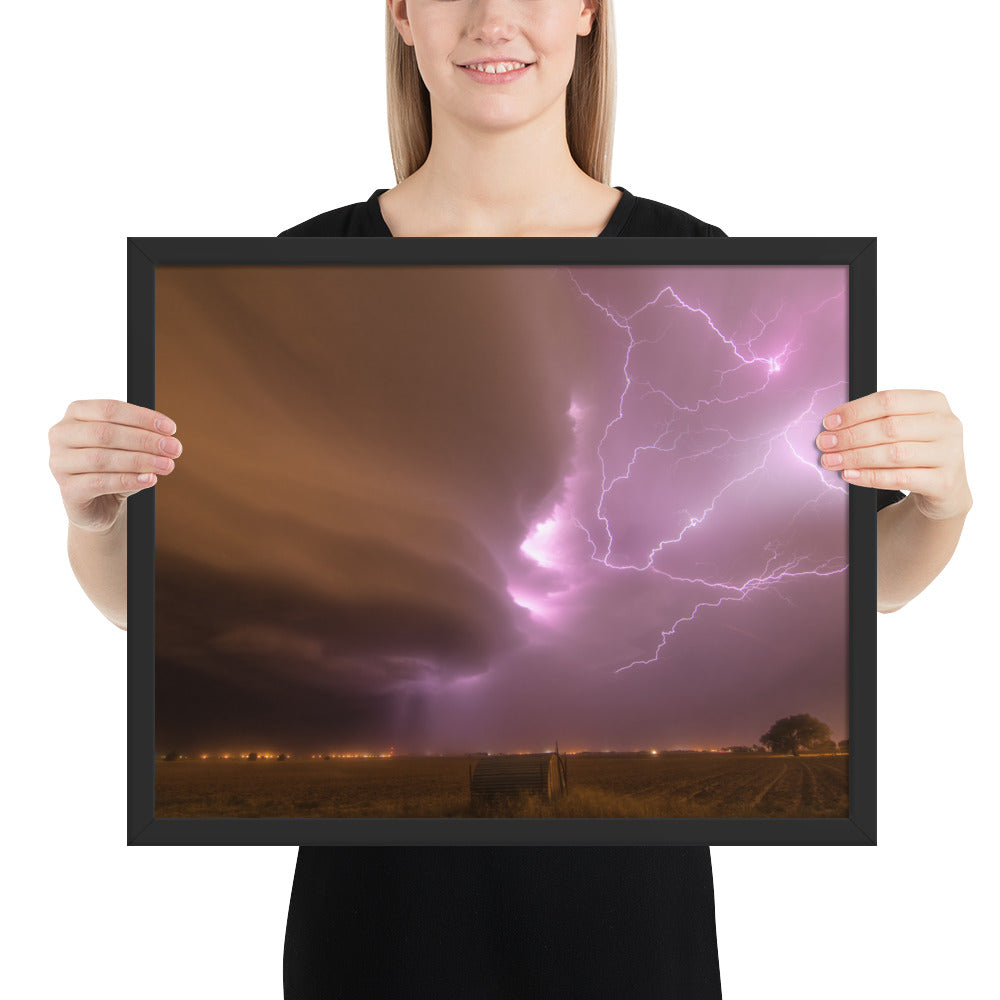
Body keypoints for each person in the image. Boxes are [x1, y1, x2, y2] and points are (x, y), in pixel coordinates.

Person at [47, 2, 973, 997]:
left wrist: (940, 505)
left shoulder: (698, 249)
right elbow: (140, 607)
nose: (495, 18)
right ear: (402, 15)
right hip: (374, 935)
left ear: (586, 13)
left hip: (627, 938)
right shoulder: (296, 260)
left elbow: (859, 585)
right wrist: (94, 518)